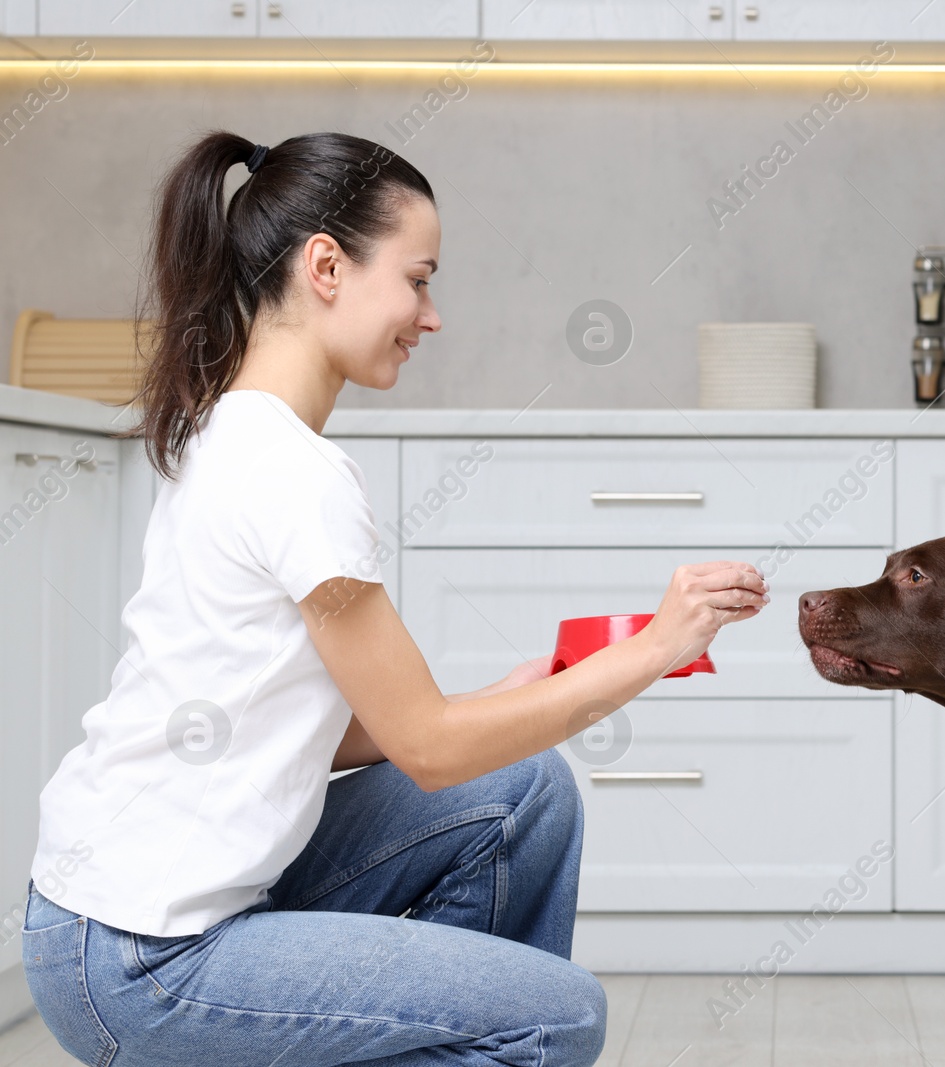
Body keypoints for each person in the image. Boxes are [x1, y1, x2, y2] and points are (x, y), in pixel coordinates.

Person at [19, 130, 769, 1067]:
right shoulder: (295, 471)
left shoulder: (233, 428)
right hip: (145, 957)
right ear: (326, 266)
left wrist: (503, 693)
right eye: (418, 279)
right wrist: (654, 646)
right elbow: (427, 747)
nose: (431, 314)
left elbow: (283, 724)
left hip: (100, 925)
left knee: (523, 792)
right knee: (557, 1015)